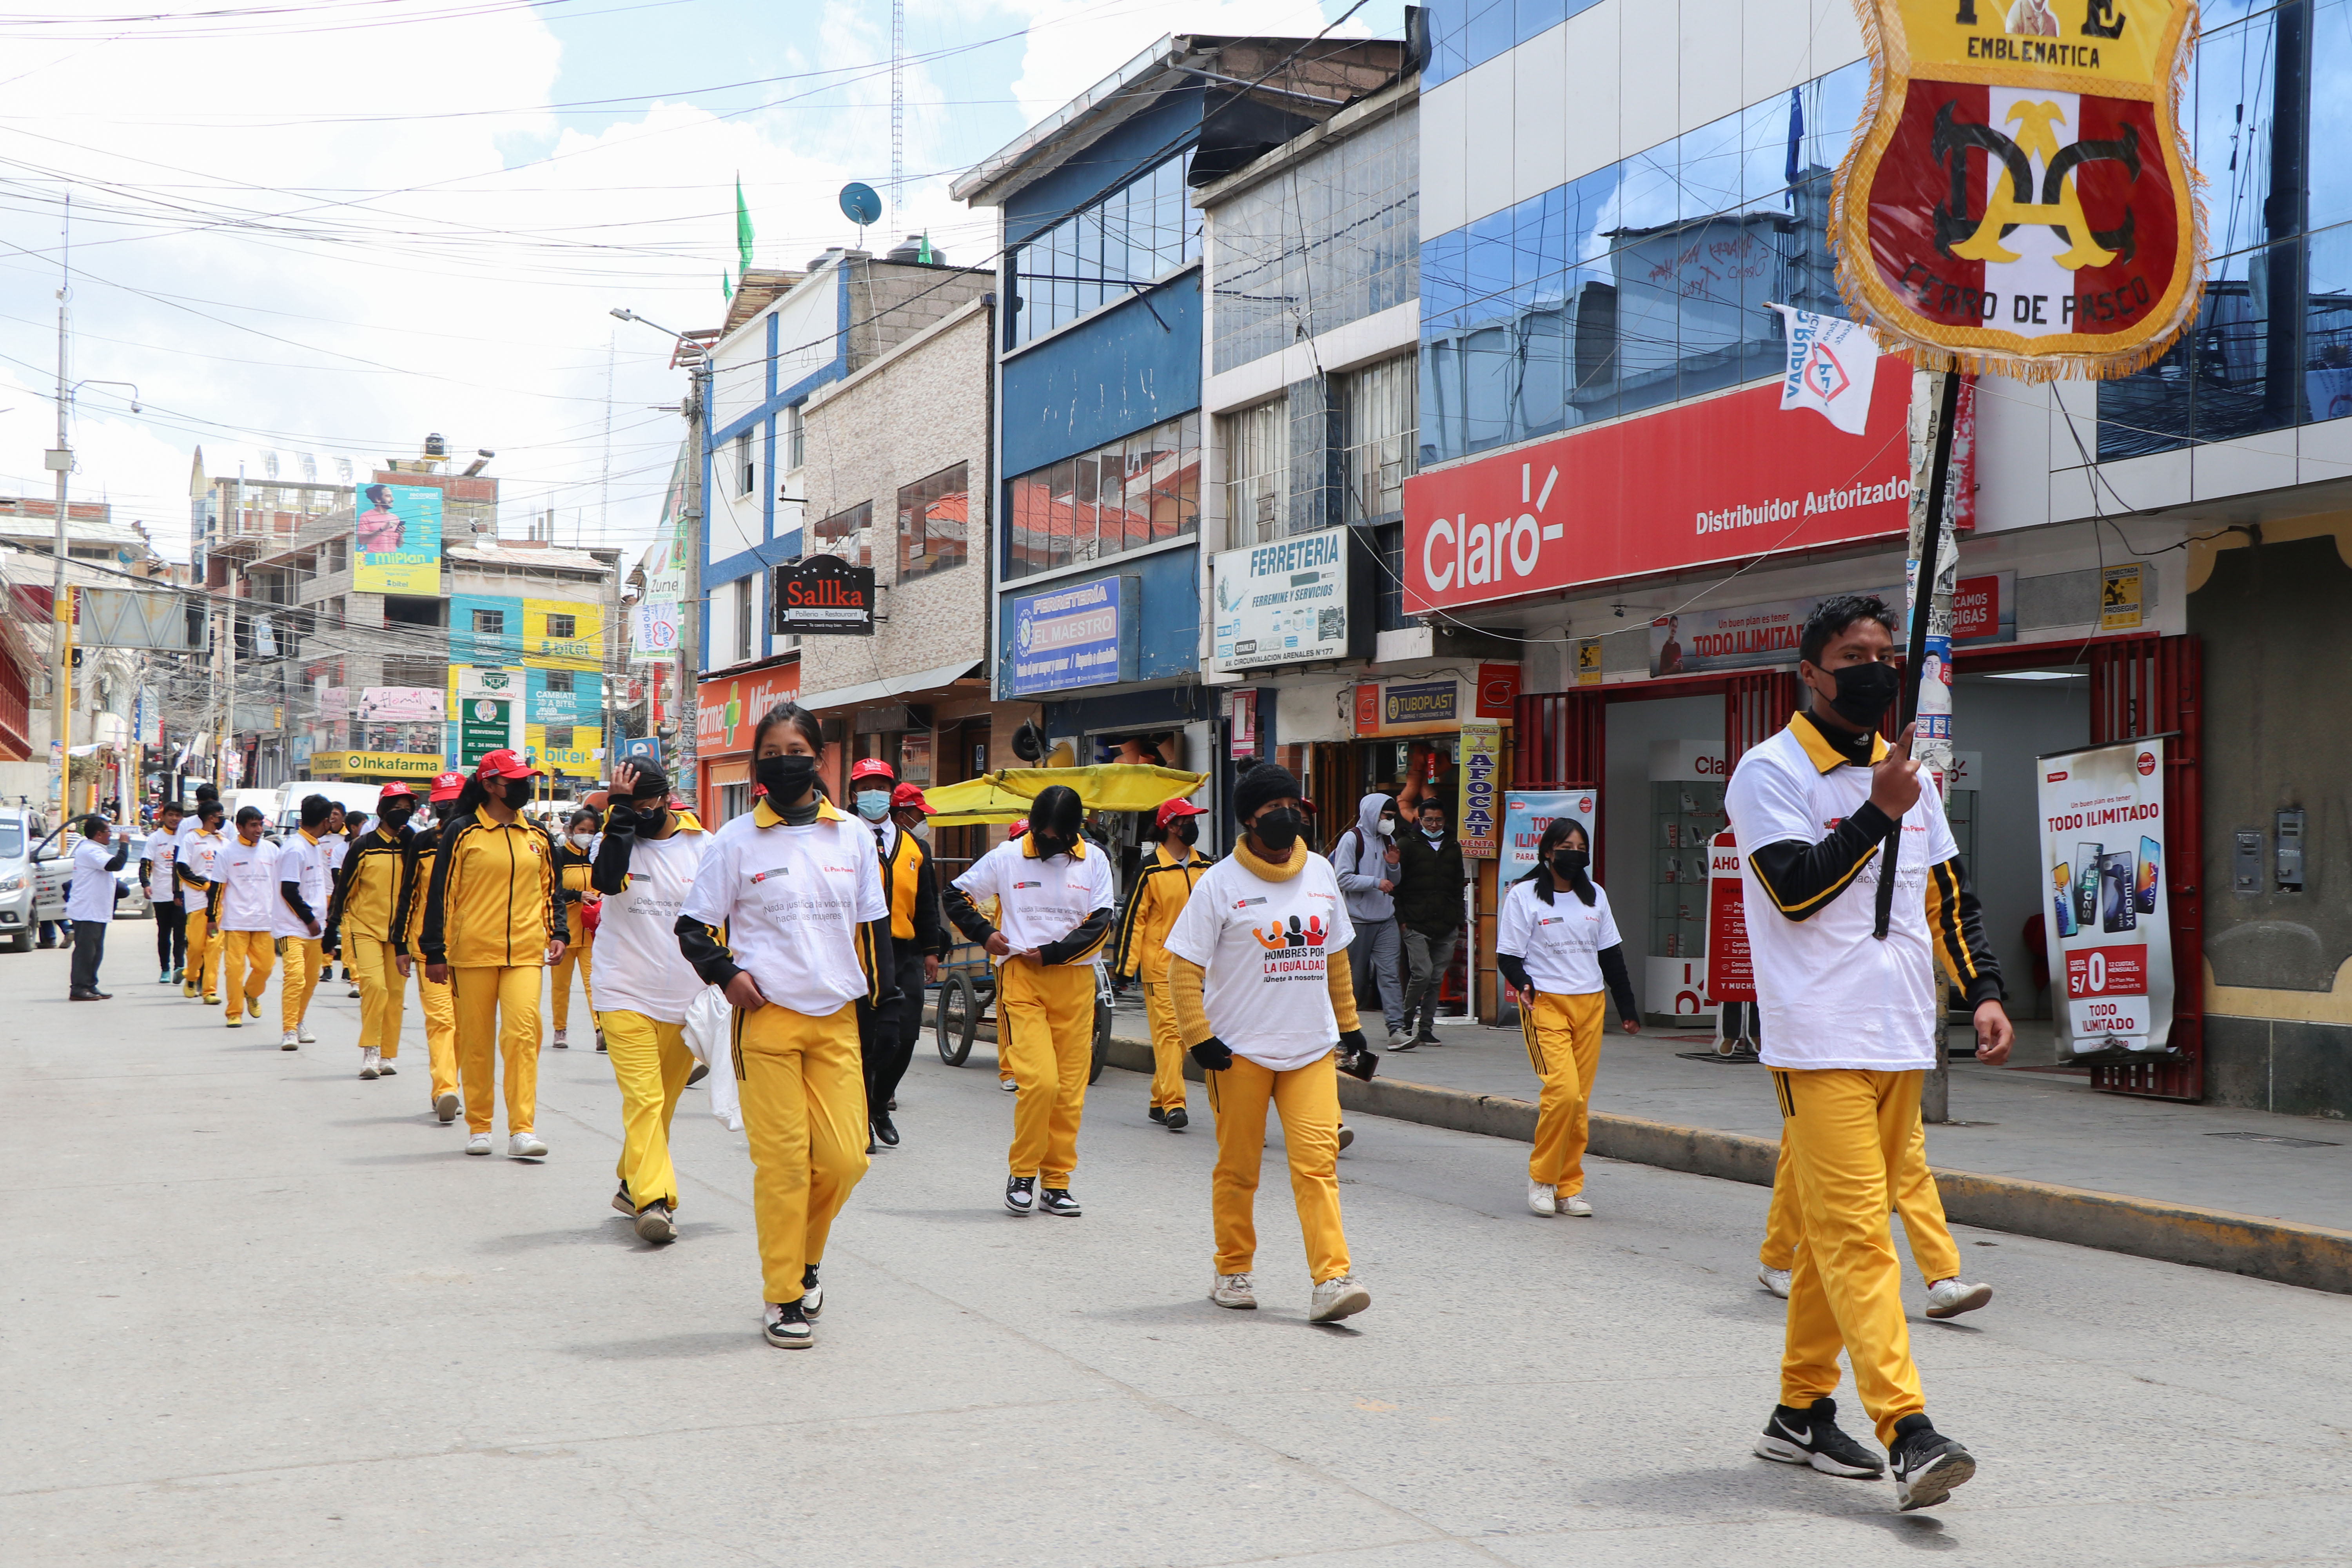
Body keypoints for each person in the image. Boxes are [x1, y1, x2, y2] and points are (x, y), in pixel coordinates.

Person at [1726, 592, 2011, 1512]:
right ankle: (1909, 1429)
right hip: (1818, 1040)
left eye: (1884, 651)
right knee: (1856, 1237)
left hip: (1901, 1035)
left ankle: (1799, 1411)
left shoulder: (1914, 781)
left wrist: (1987, 991)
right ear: (1809, 672)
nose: (1873, 666)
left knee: (1821, 1235)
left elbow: (1949, 901)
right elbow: (1795, 889)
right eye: (1853, 652)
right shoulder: (1767, 772)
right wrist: (1877, 813)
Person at [675, 702, 891, 1347]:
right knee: (785, 1165)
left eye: (796, 748)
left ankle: (804, 1259)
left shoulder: (852, 836)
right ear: (757, 763)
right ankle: (782, 1297)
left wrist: (883, 1013)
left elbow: (871, 928)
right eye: (770, 751)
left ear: (820, 759)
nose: (784, 759)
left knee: (846, 1160)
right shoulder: (735, 840)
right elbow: (694, 927)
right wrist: (726, 973)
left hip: (837, 1021)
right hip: (765, 1021)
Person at [1161, 763, 1374, 1324]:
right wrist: (1199, 1039)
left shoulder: (1322, 873)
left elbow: (1335, 961)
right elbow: (1182, 969)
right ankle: (1232, 1268)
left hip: (1311, 1050)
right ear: (1251, 823)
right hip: (1239, 1053)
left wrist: (1351, 1029)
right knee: (1239, 1168)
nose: (1289, 817)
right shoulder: (1220, 884)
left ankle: (1332, 1280)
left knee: (1317, 1166)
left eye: (1293, 806)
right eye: (1273, 810)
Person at [942, 786, 1115, 1218]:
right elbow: (956, 895)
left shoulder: (1094, 862)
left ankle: (1056, 1183)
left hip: (1074, 982)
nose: (1045, 842)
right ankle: (1022, 1173)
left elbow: (1101, 922)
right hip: (1023, 980)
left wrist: (1055, 951)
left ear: (1075, 832)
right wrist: (985, 934)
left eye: (1055, 835)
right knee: (1040, 1083)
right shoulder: (1007, 856)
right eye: (1040, 832)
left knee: (1070, 1093)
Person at [421, 750, 566, 1160]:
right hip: (472, 954)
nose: (523, 787)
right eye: (514, 781)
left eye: (526, 780)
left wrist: (558, 930)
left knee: (523, 1035)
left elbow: (550, 889)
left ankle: (523, 1129)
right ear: (489, 785)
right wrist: (434, 950)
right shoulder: (462, 832)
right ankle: (480, 1126)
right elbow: (441, 894)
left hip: (525, 951)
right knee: (477, 1043)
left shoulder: (538, 836)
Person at [590, 760, 710, 1243]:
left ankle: (629, 1180)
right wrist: (618, 813)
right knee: (645, 1099)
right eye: (628, 806)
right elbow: (607, 880)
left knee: (662, 1106)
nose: (638, 814)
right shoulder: (615, 838)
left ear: (666, 798)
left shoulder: (706, 847)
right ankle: (655, 1200)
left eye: (645, 806)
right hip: (623, 990)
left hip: (685, 998)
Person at [1495, 819, 1640, 1218]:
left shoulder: (1596, 898)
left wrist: (1627, 1009)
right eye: (1566, 845)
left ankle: (1568, 1188)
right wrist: (1522, 982)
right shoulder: (1524, 896)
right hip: (1545, 1003)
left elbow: (1611, 955)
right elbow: (1507, 955)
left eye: (1581, 846)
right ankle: (1542, 1178)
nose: (1574, 853)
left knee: (1580, 1103)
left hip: (1590, 1004)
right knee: (1564, 1094)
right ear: (1547, 851)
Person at [1756, 1117, 1994, 1319]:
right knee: (1802, 1158)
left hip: (1894, 1068)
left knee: (1909, 1166)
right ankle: (1778, 1258)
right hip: (1823, 1071)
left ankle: (1942, 1278)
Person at [842, 761, 943, 1150]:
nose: (874, 793)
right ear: (854, 794)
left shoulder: (915, 846)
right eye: (866, 786)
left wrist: (932, 949)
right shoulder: (842, 838)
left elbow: (927, 902)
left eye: (881, 786)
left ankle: (879, 1102)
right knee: (864, 1039)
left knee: (904, 1037)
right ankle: (859, 1117)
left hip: (904, 952)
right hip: (856, 951)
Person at [1111, 797, 1213, 1130]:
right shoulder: (1150, 869)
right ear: (1170, 826)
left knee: (1185, 1038)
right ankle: (1174, 1105)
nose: (1193, 826)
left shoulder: (1207, 867)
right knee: (1171, 1035)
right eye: (1187, 820)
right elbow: (1133, 921)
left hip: (1201, 969)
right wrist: (1125, 969)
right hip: (1162, 969)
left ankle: (1159, 1098)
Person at [327, 783, 416, 1081]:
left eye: (408, 808)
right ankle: (371, 1051)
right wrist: (333, 925)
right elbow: (345, 887)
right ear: (382, 810)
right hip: (365, 928)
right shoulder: (363, 846)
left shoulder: (409, 846)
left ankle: (388, 1054)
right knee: (375, 987)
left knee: (395, 994)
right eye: (397, 808)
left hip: (400, 933)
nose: (403, 814)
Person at [394, 771, 468, 1124]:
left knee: (464, 1026)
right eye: (446, 802)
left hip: (472, 950)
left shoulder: (475, 838)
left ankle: (452, 1080)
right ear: (435, 806)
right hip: (430, 949)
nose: (451, 807)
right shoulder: (422, 843)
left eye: (456, 800)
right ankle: (445, 1089)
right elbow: (409, 894)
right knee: (441, 1021)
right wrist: (400, 943)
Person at [1330, 792, 1408, 1049]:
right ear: (1373, 813)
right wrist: (1376, 883)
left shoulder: (1389, 839)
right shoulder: (1352, 840)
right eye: (1387, 817)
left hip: (1385, 919)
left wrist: (1394, 867)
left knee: (1390, 976)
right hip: (1357, 920)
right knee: (1352, 979)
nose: (1390, 822)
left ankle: (1397, 1030)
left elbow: (1394, 882)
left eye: (1393, 817)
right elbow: (1341, 878)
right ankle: (1341, 1031)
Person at [1391, 796, 1467, 1049]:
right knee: (1421, 974)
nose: (1434, 825)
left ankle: (1426, 1028)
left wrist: (1458, 919)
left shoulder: (1452, 846)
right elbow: (1397, 888)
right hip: (1415, 923)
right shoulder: (1406, 844)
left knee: (1436, 978)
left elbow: (1458, 886)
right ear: (1419, 820)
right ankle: (1403, 1023)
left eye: (1439, 820)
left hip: (1446, 923)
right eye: (1428, 820)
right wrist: (1402, 922)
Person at [274, 795, 337, 1052]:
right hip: (293, 927)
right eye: (331, 819)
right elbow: (288, 890)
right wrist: (309, 920)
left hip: (314, 927)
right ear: (325, 821)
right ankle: (289, 1029)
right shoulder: (295, 848)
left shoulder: (315, 846)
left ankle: (298, 1022)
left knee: (311, 978)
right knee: (296, 977)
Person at [216, 808, 282, 1034]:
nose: (259, 830)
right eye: (253, 825)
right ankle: (234, 1013)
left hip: (264, 920)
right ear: (240, 827)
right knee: (234, 970)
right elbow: (217, 887)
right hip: (235, 922)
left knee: (265, 967)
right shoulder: (227, 852)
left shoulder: (272, 851)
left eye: (260, 824)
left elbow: (281, 886)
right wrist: (211, 918)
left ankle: (251, 993)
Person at [549, 807, 601, 1049]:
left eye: (591, 832)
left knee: (594, 984)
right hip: (564, 933)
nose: (586, 836)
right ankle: (560, 1030)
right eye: (582, 830)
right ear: (571, 830)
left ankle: (601, 1030)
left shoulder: (597, 858)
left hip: (592, 934)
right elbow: (552, 891)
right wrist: (577, 896)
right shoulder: (559, 856)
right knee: (561, 986)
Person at [66, 813, 128, 1000]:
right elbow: (116, 865)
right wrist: (125, 845)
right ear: (99, 834)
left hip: (97, 910)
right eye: (109, 831)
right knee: (86, 951)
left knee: (96, 951)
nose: (111, 835)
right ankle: (79, 987)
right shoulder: (90, 850)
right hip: (87, 910)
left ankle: (91, 984)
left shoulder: (97, 849)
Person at [176, 797, 228, 1004]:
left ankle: (210, 991)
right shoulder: (191, 839)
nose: (223, 820)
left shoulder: (225, 842)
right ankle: (191, 977)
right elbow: (183, 869)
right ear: (211, 818)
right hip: (198, 902)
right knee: (197, 947)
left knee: (214, 948)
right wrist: (206, 886)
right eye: (220, 817)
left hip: (218, 905)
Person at [141, 800, 187, 985]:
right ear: (163, 817)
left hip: (183, 894)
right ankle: (165, 969)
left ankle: (180, 967)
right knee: (164, 933)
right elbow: (146, 864)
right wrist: (146, 884)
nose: (175, 819)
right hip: (161, 894)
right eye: (171, 815)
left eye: (178, 816)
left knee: (181, 934)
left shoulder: (187, 838)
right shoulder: (155, 839)